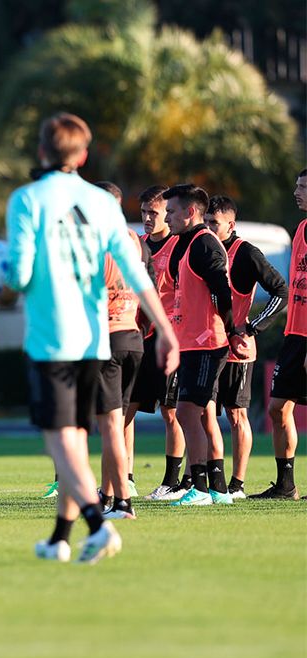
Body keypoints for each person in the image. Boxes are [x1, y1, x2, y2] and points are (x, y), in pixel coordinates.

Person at [4, 113, 177, 564]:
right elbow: (137, 271)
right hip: (96, 339)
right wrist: (166, 331)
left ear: (42, 151)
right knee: (77, 438)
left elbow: (19, 275)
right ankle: (60, 537)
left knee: (59, 440)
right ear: (82, 155)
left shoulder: (26, 200)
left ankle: (98, 526)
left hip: (51, 340)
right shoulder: (102, 204)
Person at [162, 184, 246, 507]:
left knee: (187, 412)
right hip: (191, 344)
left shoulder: (204, 244)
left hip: (207, 343)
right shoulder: (187, 244)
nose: (167, 218)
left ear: (190, 212)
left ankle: (199, 488)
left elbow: (222, 292)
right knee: (201, 414)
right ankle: (219, 490)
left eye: (171, 212)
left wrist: (232, 331)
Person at [204, 195, 287, 499]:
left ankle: (237, 485)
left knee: (236, 415)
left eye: (215, 223)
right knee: (201, 414)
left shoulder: (246, 253)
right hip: (203, 346)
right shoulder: (199, 248)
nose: (209, 228)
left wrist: (252, 327)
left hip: (236, 349)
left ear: (231, 224)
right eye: (205, 221)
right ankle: (205, 481)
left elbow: (280, 291)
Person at [127, 185, 190, 501]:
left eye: (154, 212)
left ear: (168, 213)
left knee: (171, 411)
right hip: (136, 336)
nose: (148, 218)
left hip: (168, 338)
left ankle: (172, 481)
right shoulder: (135, 246)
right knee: (123, 410)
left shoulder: (181, 245)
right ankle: (124, 478)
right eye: (143, 212)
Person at [92, 181, 149, 520]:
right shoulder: (134, 240)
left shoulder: (96, 242)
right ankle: (107, 494)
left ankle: (122, 502)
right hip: (133, 338)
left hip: (108, 339)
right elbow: (145, 285)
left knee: (111, 425)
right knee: (115, 424)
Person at [253, 169, 307, 500]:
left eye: (304, 187)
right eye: (297, 186)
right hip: (294, 335)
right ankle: (286, 485)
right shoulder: (300, 229)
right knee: (278, 408)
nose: (297, 192)